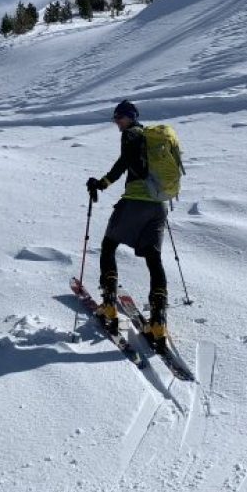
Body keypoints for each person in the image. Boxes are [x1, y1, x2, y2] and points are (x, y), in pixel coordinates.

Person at [86, 100, 168, 343]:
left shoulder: (132, 134)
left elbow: (124, 162)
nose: (117, 123)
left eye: (119, 118)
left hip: (136, 201)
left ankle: (109, 305)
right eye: (115, 119)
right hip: (158, 204)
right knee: (154, 259)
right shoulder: (154, 141)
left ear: (131, 117)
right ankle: (157, 324)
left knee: (109, 244)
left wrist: (102, 183)